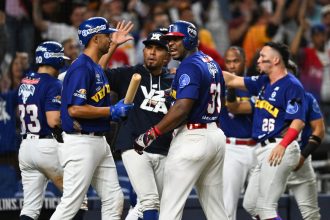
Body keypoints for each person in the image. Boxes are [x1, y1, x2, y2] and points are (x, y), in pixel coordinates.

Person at [133, 20, 229, 220]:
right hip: (215, 135)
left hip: (193, 138)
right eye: (169, 40)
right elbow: (206, 95)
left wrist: (152, 133)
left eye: (177, 39)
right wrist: (175, 93)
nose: (171, 44)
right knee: (216, 210)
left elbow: (182, 108)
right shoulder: (210, 62)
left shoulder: (189, 66)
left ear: (191, 39)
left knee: (170, 210)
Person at [50, 17, 134, 220]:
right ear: (96, 38)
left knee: (114, 198)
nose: (110, 38)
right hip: (81, 141)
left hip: (97, 141)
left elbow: (98, 69)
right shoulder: (81, 68)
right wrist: (111, 111)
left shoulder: (91, 66)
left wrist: (114, 45)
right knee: (71, 204)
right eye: (107, 36)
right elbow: (74, 110)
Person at [223, 42, 306, 220]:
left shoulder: (292, 84)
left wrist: (283, 145)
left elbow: (298, 122)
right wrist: (201, 69)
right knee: (251, 205)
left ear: (275, 60)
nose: (258, 60)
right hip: (263, 149)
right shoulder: (263, 82)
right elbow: (230, 79)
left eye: (262, 57)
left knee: (266, 207)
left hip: (279, 148)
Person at [101, 29, 173, 220]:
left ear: (167, 55)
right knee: (150, 202)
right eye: (149, 47)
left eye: (158, 49)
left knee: (146, 206)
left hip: (164, 148)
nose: (152, 52)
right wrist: (113, 46)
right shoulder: (130, 74)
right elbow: (96, 74)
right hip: (133, 146)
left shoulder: (174, 80)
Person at [17, 41, 86, 220]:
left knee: (30, 208)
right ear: (55, 60)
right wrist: (74, 124)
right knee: (78, 199)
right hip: (47, 147)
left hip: (26, 147)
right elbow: (54, 121)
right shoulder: (53, 84)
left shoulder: (26, 80)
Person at [220, 46, 257, 220]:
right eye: (228, 61)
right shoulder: (218, 87)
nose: (232, 65)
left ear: (245, 62)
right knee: (227, 206)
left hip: (257, 147)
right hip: (231, 149)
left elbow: (237, 108)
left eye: (236, 61)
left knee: (261, 204)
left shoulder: (253, 84)